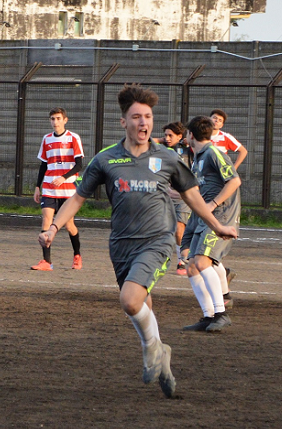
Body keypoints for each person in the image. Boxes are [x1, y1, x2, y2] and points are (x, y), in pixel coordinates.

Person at [38, 84, 237, 398]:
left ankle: (150, 350)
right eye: (136, 117)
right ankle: (162, 354)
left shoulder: (168, 157)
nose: (144, 122)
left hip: (156, 241)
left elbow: (193, 196)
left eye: (148, 116)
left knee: (130, 300)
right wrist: (53, 229)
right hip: (121, 244)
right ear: (123, 122)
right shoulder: (106, 159)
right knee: (141, 303)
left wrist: (217, 225)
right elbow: (77, 199)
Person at [181, 116, 242, 332]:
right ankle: (208, 316)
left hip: (221, 215)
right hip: (203, 216)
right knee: (191, 267)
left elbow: (234, 180)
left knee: (202, 262)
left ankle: (221, 313)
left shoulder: (214, 152)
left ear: (190, 135)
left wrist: (214, 203)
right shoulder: (197, 157)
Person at [31, 107, 85, 271]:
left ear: (65, 120)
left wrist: (64, 177)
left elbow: (79, 164)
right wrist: (37, 186)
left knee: (69, 225)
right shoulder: (46, 139)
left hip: (68, 189)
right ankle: (46, 261)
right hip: (48, 187)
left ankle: (77, 256)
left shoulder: (73, 138)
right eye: (53, 119)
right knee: (46, 221)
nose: (55, 122)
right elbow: (43, 165)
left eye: (58, 118)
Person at [209, 109, 244, 301]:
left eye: (219, 119)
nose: (216, 121)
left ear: (222, 124)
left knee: (205, 254)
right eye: (214, 118)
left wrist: (233, 169)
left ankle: (221, 297)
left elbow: (243, 150)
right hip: (208, 189)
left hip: (220, 191)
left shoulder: (224, 138)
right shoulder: (203, 140)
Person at [161, 121, 193, 276]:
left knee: (179, 229)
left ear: (180, 136)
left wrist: (186, 141)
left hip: (184, 196)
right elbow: (146, 141)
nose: (167, 138)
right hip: (167, 195)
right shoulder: (162, 150)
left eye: (170, 135)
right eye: (165, 135)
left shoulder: (188, 150)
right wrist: (164, 140)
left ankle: (182, 261)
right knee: (169, 230)